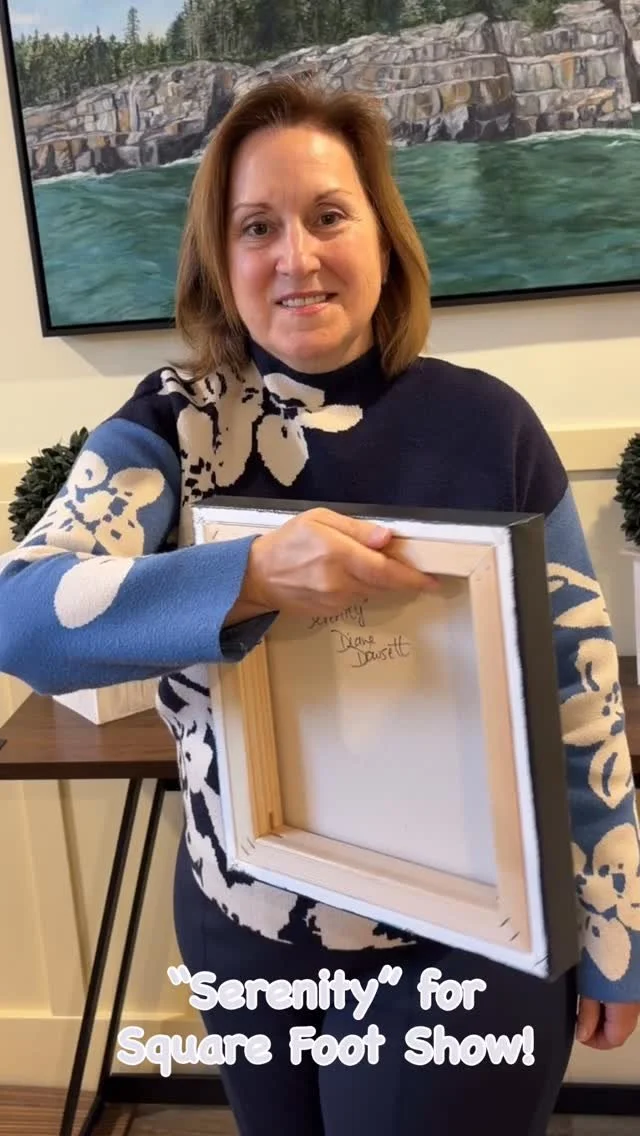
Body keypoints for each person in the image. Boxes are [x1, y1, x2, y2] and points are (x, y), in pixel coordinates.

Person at [1, 75, 639, 1135]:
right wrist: (250, 578)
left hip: (468, 941)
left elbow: (581, 695)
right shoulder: (174, 425)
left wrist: (615, 933)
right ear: (221, 258)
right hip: (243, 929)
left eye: (328, 216)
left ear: (383, 235)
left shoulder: (491, 427)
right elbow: (20, 615)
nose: (295, 257)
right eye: (257, 226)